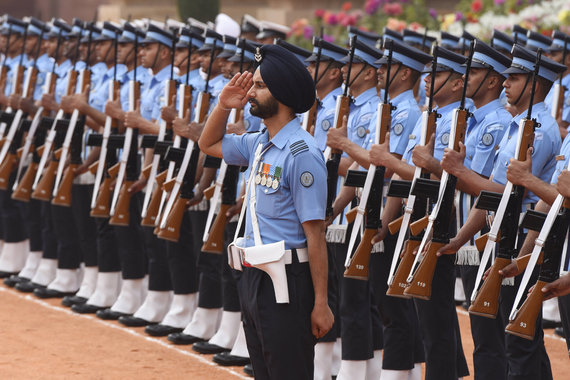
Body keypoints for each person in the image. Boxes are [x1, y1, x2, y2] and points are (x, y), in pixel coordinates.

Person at [198, 44, 333, 380]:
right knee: (264, 371)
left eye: (260, 86)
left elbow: (315, 233)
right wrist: (223, 106)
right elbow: (208, 144)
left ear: (283, 94)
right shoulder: (259, 143)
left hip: (288, 280)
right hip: (255, 275)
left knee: (287, 371)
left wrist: (321, 302)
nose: (251, 93)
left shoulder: (302, 153)